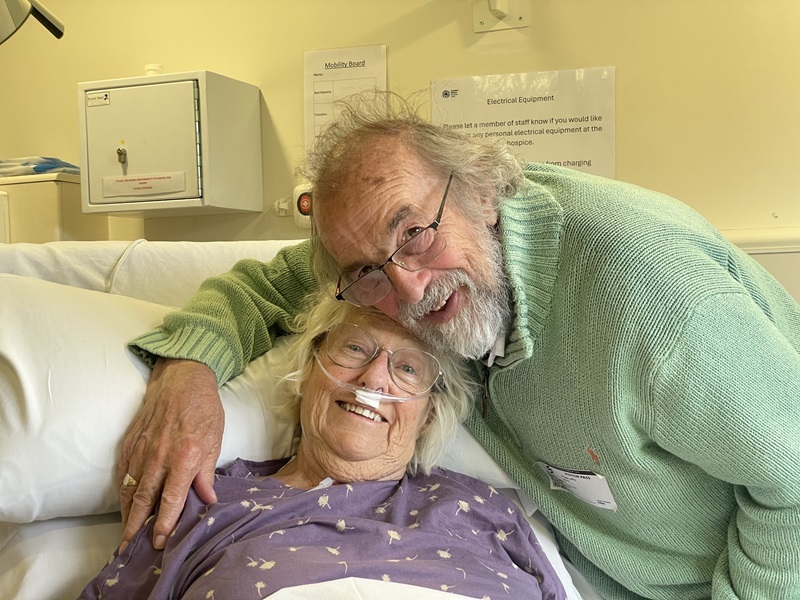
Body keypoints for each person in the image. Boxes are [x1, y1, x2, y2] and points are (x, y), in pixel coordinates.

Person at [122, 91, 800, 599]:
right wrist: (187, 372)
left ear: (483, 185)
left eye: (414, 233)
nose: (409, 290)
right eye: (368, 273)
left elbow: (794, 484)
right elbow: (260, 289)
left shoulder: (648, 292)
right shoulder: (378, 260)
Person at [82, 293, 566, 600]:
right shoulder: (206, 501)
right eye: (354, 348)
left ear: (429, 417)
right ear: (307, 370)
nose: (374, 378)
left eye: (408, 368)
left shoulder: (484, 509)